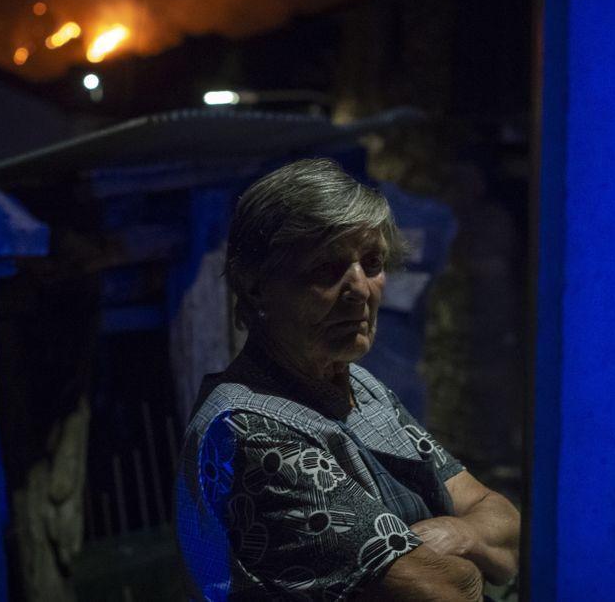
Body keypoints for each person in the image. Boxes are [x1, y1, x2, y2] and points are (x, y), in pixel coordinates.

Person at [176, 158, 519, 600]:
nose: (359, 289)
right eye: (326, 269)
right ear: (258, 285)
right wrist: (471, 562)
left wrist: (458, 534)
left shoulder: (362, 388)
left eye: (372, 263)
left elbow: (504, 523)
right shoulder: (249, 429)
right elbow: (445, 588)